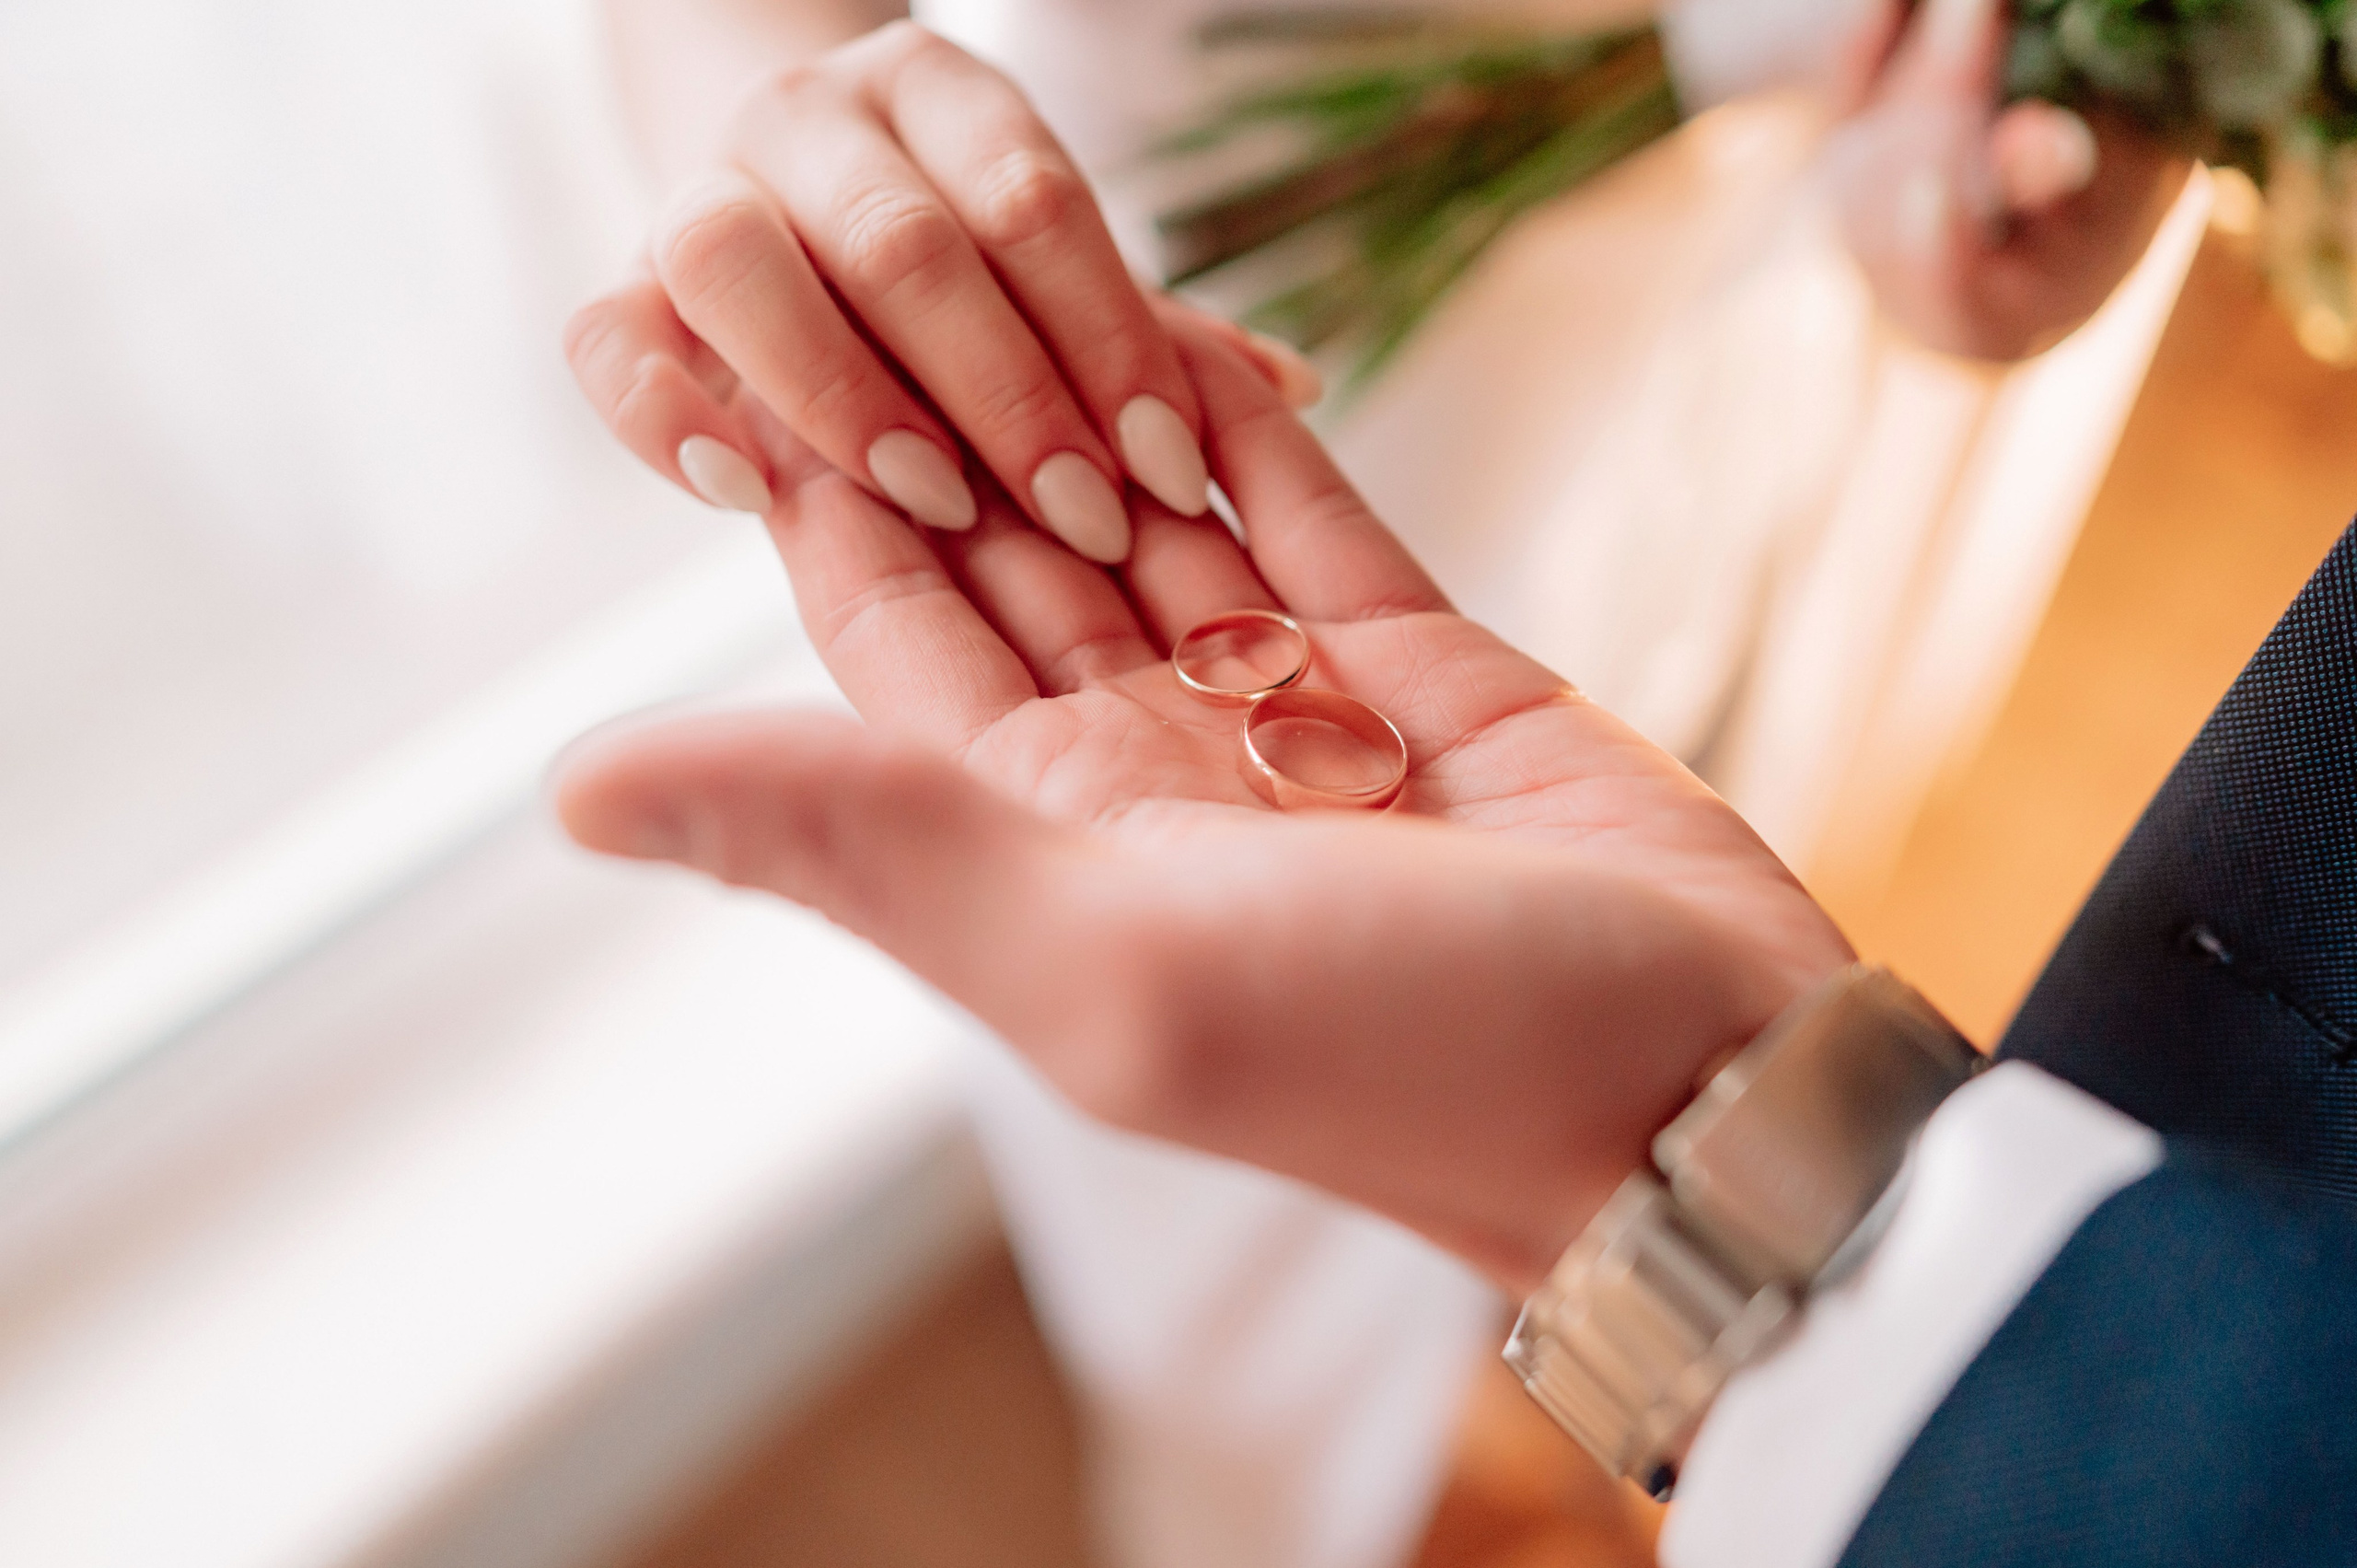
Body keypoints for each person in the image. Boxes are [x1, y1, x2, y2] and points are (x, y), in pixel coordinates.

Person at [554, 6, 2357, 1566]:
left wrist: (2030, 135)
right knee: (1243, 1232)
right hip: (1162, 297)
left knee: (1748, 760)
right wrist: (776, 107)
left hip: (1796, 351)